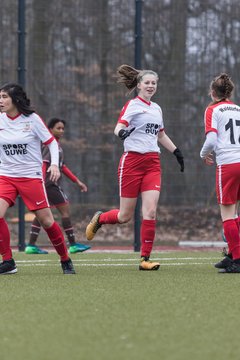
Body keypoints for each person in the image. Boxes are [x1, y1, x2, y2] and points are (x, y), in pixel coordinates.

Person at [85, 64, 184, 271]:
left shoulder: (157, 108)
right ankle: (101, 218)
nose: (150, 86)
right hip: (132, 163)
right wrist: (122, 133)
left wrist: (176, 152)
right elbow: (118, 127)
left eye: (154, 83)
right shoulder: (132, 105)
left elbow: (161, 135)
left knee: (150, 212)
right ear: (139, 85)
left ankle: (144, 259)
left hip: (152, 164)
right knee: (124, 216)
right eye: (147, 82)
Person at [0, 83, 75, 274]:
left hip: (30, 177)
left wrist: (54, 165)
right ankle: (8, 261)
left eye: (4, 97)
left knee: (47, 222)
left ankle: (65, 259)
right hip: (6, 176)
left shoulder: (32, 119)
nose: (0, 101)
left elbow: (51, 143)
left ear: (15, 99)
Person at [25, 117, 90, 254]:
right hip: (49, 184)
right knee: (65, 211)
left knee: (41, 213)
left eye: (63, 129)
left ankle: (31, 245)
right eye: (58, 128)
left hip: (46, 184)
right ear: (49, 130)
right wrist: (41, 182)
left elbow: (63, 167)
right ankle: (72, 245)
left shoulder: (57, 146)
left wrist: (77, 182)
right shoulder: (49, 145)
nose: (61, 131)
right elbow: (43, 164)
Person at [200, 73, 240, 273]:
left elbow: (212, 141)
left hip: (228, 164)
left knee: (227, 215)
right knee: (235, 213)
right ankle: (233, 254)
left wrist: (203, 154)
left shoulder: (212, 109)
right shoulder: (238, 109)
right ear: (229, 92)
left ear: (212, 92)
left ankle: (238, 259)